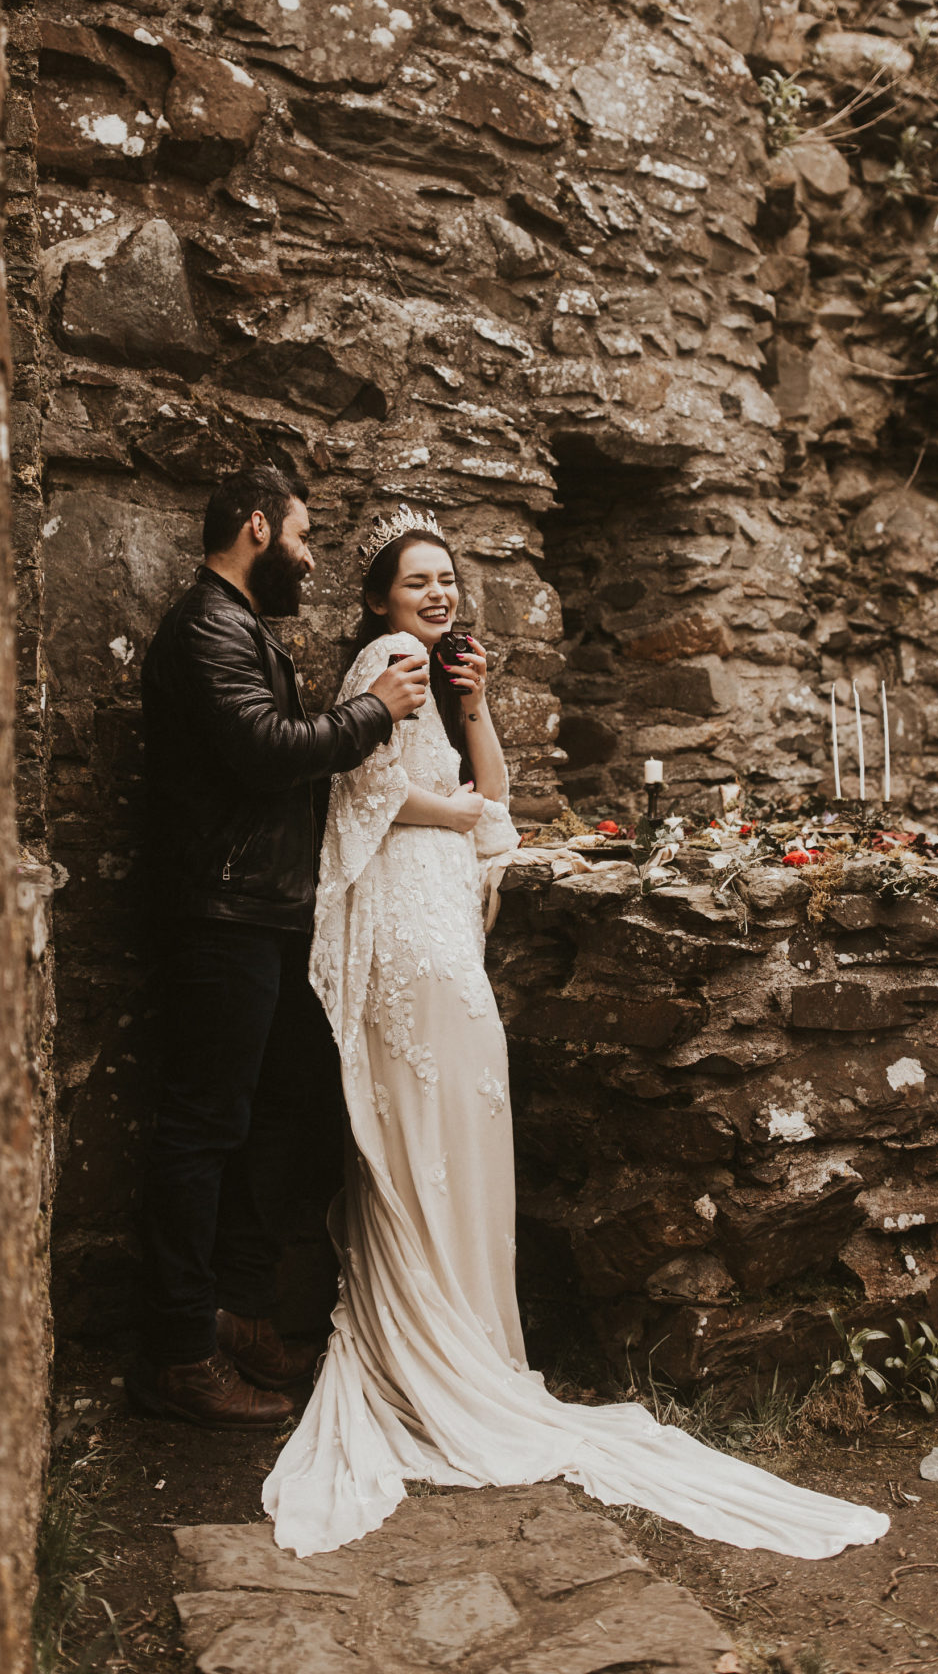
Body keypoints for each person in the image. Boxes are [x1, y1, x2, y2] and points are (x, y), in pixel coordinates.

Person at [263, 505, 891, 1559]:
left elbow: (497, 793)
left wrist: (482, 706)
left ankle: (474, 1340)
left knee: (470, 1119)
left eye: (447, 578)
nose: (438, 592)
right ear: (378, 597)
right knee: (426, 1125)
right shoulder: (383, 658)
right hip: (407, 938)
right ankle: (425, 1342)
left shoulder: (438, 672)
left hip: (445, 933)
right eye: (418, 579)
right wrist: (457, 812)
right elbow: (363, 792)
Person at [129, 467, 429, 1428]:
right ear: (257, 527)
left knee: (276, 1117)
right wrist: (376, 707)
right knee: (202, 1130)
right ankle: (177, 1354)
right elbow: (262, 748)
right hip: (220, 916)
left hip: (262, 912)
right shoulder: (206, 626)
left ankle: (241, 1314)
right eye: (300, 536)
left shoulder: (237, 626)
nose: (308, 556)